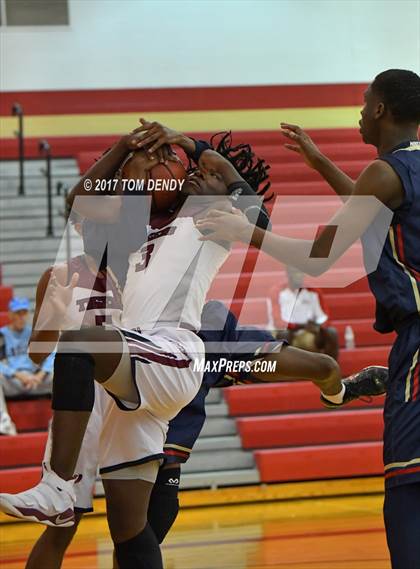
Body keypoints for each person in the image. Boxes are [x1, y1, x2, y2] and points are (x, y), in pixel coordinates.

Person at [0, 126, 273, 569]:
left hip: (166, 354)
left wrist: (194, 149)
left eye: (196, 175)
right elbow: (83, 200)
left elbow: (256, 217)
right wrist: (126, 151)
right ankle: (60, 491)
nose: (182, 177)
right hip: (120, 381)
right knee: (128, 531)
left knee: (80, 343)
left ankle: (56, 485)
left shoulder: (209, 221)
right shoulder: (140, 235)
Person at [195, 69, 420, 569]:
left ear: (382, 109)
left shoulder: (385, 173)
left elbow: (320, 257)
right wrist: (319, 161)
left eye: (365, 103)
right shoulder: (400, 173)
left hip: (419, 343)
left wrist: (243, 229)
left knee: (407, 491)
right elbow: (375, 207)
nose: (360, 112)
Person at [269, 265, 339, 359]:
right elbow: (278, 322)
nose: (299, 275)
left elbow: (324, 319)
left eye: (300, 272)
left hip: (308, 333)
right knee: (283, 334)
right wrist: (299, 325)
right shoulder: (277, 292)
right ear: (288, 273)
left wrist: (317, 326)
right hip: (287, 332)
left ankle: (331, 370)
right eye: (295, 272)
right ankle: (284, 371)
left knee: (331, 332)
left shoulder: (313, 292)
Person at [0, 297, 54, 398]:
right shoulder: (2, 334)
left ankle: (60, 413)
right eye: (18, 313)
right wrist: (18, 375)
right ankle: (2, 414)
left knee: (60, 374)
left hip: (36, 380)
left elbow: (51, 355)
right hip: (13, 381)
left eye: (24, 313)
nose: (21, 317)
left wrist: (40, 375)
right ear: (10, 315)